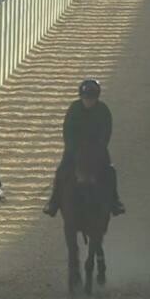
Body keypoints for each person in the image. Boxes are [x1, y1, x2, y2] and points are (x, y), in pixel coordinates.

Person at [43, 79, 125, 217]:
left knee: (110, 171)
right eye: (86, 98)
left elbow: (106, 131)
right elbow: (67, 130)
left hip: (97, 149)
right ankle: (53, 202)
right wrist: (71, 148)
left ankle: (115, 201)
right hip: (74, 149)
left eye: (91, 99)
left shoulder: (103, 110)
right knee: (61, 170)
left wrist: (99, 147)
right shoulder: (74, 108)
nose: (88, 102)